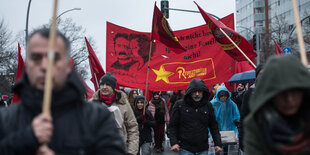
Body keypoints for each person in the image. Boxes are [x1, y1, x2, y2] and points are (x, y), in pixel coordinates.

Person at [0, 27, 125, 154]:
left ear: (67, 66)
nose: (44, 66)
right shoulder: (6, 119)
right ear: (27, 66)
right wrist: (25, 139)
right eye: (36, 58)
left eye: (53, 58)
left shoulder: (97, 118)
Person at [244, 55, 310, 154]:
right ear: (271, 95)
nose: (290, 100)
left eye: (295, 92)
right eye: (282, 94)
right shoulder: (257, 124)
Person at [169, 78, 223, 154]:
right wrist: (174, 142)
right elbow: (173, 126)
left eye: (199, 91)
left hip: (202, 148)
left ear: (203, 92)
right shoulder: (180, 105)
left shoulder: (208, 106)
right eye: (194, 91)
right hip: (185, 148)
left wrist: (218, 144)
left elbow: (214, 126)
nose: (197, 94)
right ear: (190, 92)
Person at [91, 72, 139, 155]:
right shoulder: (91, 104)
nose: (104, 87)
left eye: (108, 84)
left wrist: (131, 151)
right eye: (102, 84)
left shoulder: (124, 104)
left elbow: (133, 128)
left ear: (113, 87)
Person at [238, 64, 264, 151]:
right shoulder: (248, 94)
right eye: (261, 74)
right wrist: (241, 139)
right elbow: (243, 118)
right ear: (256, 77)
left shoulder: (273, 93)